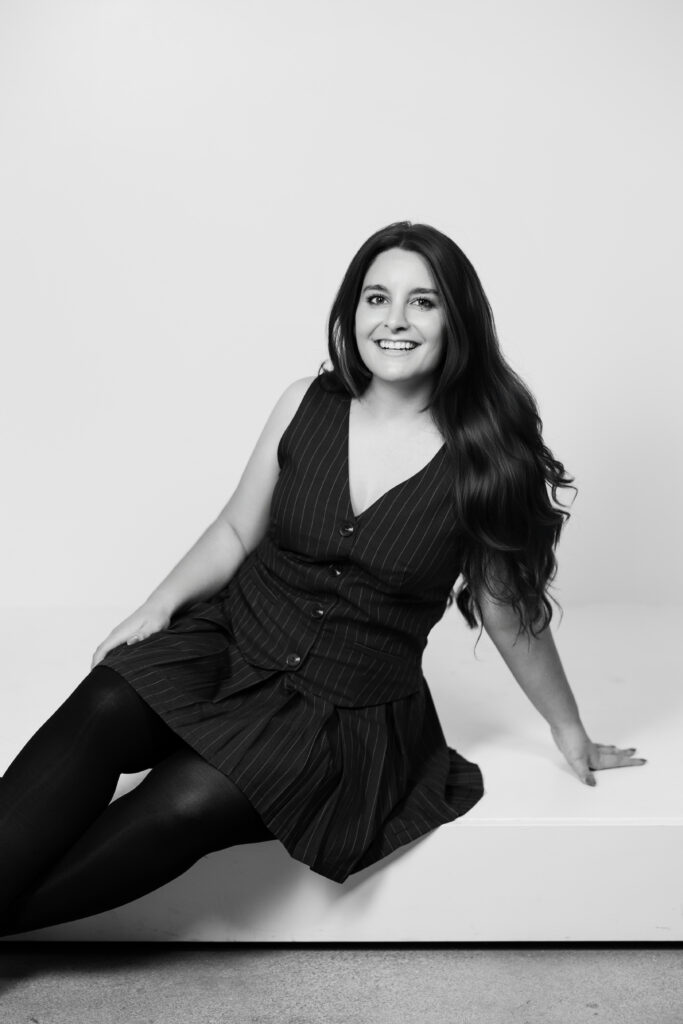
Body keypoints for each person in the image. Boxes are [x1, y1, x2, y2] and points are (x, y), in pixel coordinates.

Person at [0, 221, 646, 937]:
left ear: (456, 319)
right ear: (352, 310)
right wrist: (157, 606)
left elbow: (505, 612)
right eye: (377, 298)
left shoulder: (489, 461)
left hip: (342, 714)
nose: (394, 320)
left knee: (188, 801)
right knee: (104, 703)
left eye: (422, 302)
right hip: (229, 644)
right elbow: (236, 529)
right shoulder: (304, 402)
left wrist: (568, 729)